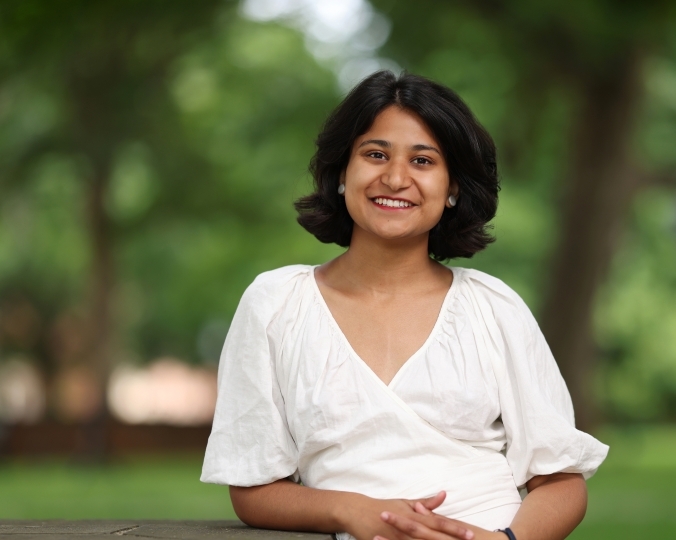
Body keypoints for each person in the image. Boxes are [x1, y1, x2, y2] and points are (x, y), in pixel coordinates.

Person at [201, 71, 609, 540]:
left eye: (423, 160)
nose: (395, 178)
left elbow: (560, 482)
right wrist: (350, 512)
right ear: (341, 173)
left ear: (453, 187)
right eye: (375, 154)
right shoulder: (275, 304)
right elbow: (253, 487)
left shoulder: (494, 308)